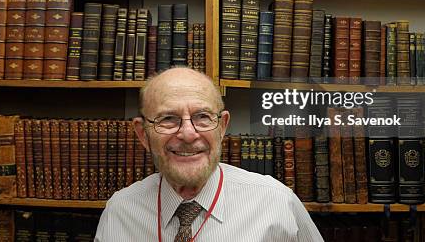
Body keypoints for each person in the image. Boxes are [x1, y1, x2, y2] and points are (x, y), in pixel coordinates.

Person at [94, 67, 324, 242]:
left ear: (222, 127)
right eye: (168, 119)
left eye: (202, 117)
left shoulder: (276, 202)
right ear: (143, 134)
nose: (187, 134)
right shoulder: (120, 212)